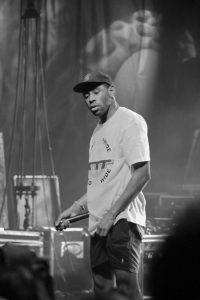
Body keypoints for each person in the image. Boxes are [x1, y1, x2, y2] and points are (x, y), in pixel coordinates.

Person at [55, 71, 151, 300]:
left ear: (112, 90)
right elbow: (100, 183)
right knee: (102, 288)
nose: (90, 99)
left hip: (122, 220)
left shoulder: (130, 121)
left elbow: (143, 173)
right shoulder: (97, 132)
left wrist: (111, 215)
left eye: (96, 92)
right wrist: (75, 208)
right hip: (99, 222)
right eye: (86, 96)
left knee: (126, 288)